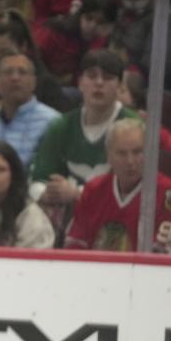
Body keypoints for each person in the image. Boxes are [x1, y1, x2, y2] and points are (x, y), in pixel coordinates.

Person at [30, 49, 139, 246]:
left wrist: (76, 193)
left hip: (118, 226)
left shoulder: (134, 128)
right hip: (67, 220)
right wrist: (47, 192)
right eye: (91, 76)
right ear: (80, 82)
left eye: (108, 77)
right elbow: (38, 179)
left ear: (120, 86)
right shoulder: (61, 126)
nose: (99, 83)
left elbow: (134, 191)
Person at [64, 119, 171, 251]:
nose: (130, 161)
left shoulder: (167, 193)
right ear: (108, 156)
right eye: (122, 153)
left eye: (137, 152)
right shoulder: (94, 189)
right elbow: (76, 243)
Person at [0, 51, 61, 169]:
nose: (15, 78)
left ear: (34, 82)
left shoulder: (53, 122)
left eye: (22, 72)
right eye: (8, 72)